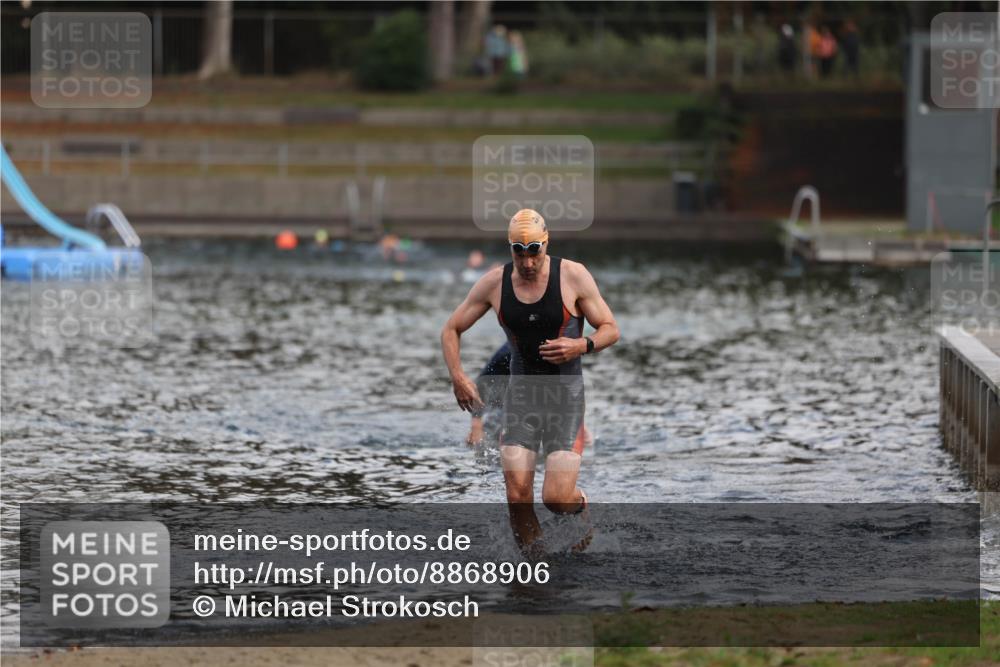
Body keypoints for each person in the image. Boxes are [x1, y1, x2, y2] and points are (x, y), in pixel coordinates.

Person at [441, 209, 620, 555]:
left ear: (546, 242)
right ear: (510, 248)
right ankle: (536, 568)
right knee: (517, 496)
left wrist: (581, 345)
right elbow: (451, 328)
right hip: (521, 396)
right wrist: (458, 377)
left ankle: (579, 507)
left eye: (534, 249)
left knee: (555, 497)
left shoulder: (573, 276)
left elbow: (611, 328)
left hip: (565, 398)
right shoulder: (495, 283)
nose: (526, 260)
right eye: (518, 250)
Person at [466, 342, 592, 452]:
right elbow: (481, 384)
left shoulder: (560, 352)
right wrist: (476, 425)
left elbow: (571, 388)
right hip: (505, 400)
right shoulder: (507, 353)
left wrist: (578, 423)